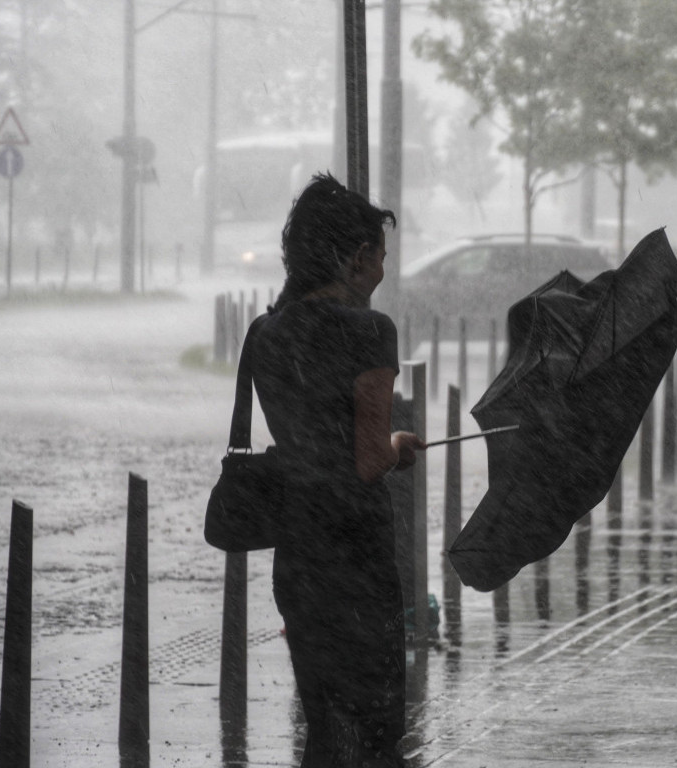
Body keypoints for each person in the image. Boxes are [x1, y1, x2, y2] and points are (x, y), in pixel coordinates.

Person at [250, 172, 426, 767]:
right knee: (377, 728)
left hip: (299, 552)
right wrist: (399, 444)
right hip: (356, 553)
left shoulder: (266, 334)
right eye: (378, 258)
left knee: (323, 724)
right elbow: (370, 458)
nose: (380, 272)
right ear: (354, 259)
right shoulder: (369, 331)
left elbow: (311, 438)